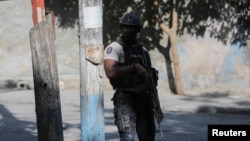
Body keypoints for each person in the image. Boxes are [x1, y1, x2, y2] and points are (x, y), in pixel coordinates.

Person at [104, 13, 162, 141]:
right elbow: (110, 71)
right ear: (121, 28)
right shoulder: (115, 48)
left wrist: (157, 106)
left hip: (144, 99)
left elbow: (150, 81)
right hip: (126, 99)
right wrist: (134, 67)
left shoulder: (142, 50)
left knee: (148, 137)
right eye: (125, 27)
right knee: (128, 137)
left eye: (132, 28)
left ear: (138, 30)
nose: (128, 30)